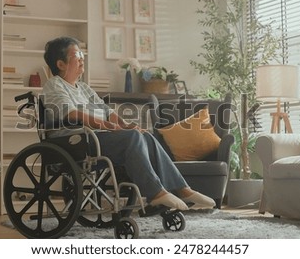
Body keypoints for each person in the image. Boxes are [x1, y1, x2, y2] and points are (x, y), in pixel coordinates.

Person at [42, 36, 215, 211]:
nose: (81, 58)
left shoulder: (84, 88)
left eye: (81, 53)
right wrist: (110, 127)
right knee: (132, 138)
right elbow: (72, 114)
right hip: (77, 141)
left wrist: (127, 125)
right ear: (61, 64)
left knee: (144, 134)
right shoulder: (55, 85)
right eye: (76, 54)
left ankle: (183, 189)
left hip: (98, 137)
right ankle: (155, 193)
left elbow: (110, 113)